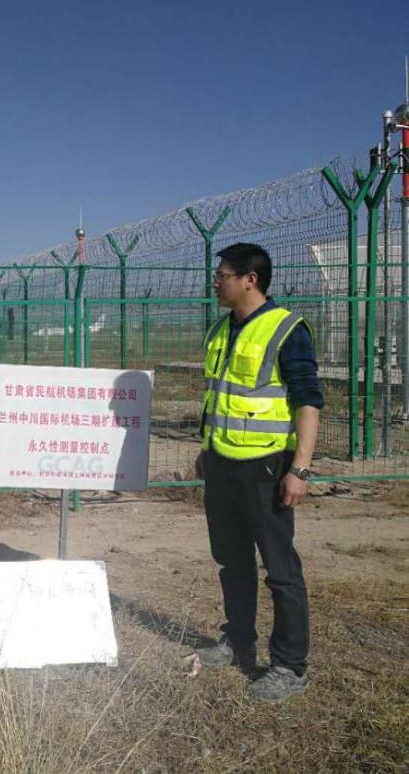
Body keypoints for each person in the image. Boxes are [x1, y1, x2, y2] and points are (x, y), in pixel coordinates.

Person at [193, 242, 323, 702]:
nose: (216, 281)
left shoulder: (286, 329)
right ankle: (238, 641)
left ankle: (290, 666)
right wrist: (206, 448)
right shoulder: (220, 329)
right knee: (232, 561)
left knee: (281, 570)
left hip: (267, 467)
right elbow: (217, 396)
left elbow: (307, 402)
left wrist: (300, 470)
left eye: (223, 274)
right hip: (223, 464)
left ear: (251, 278)